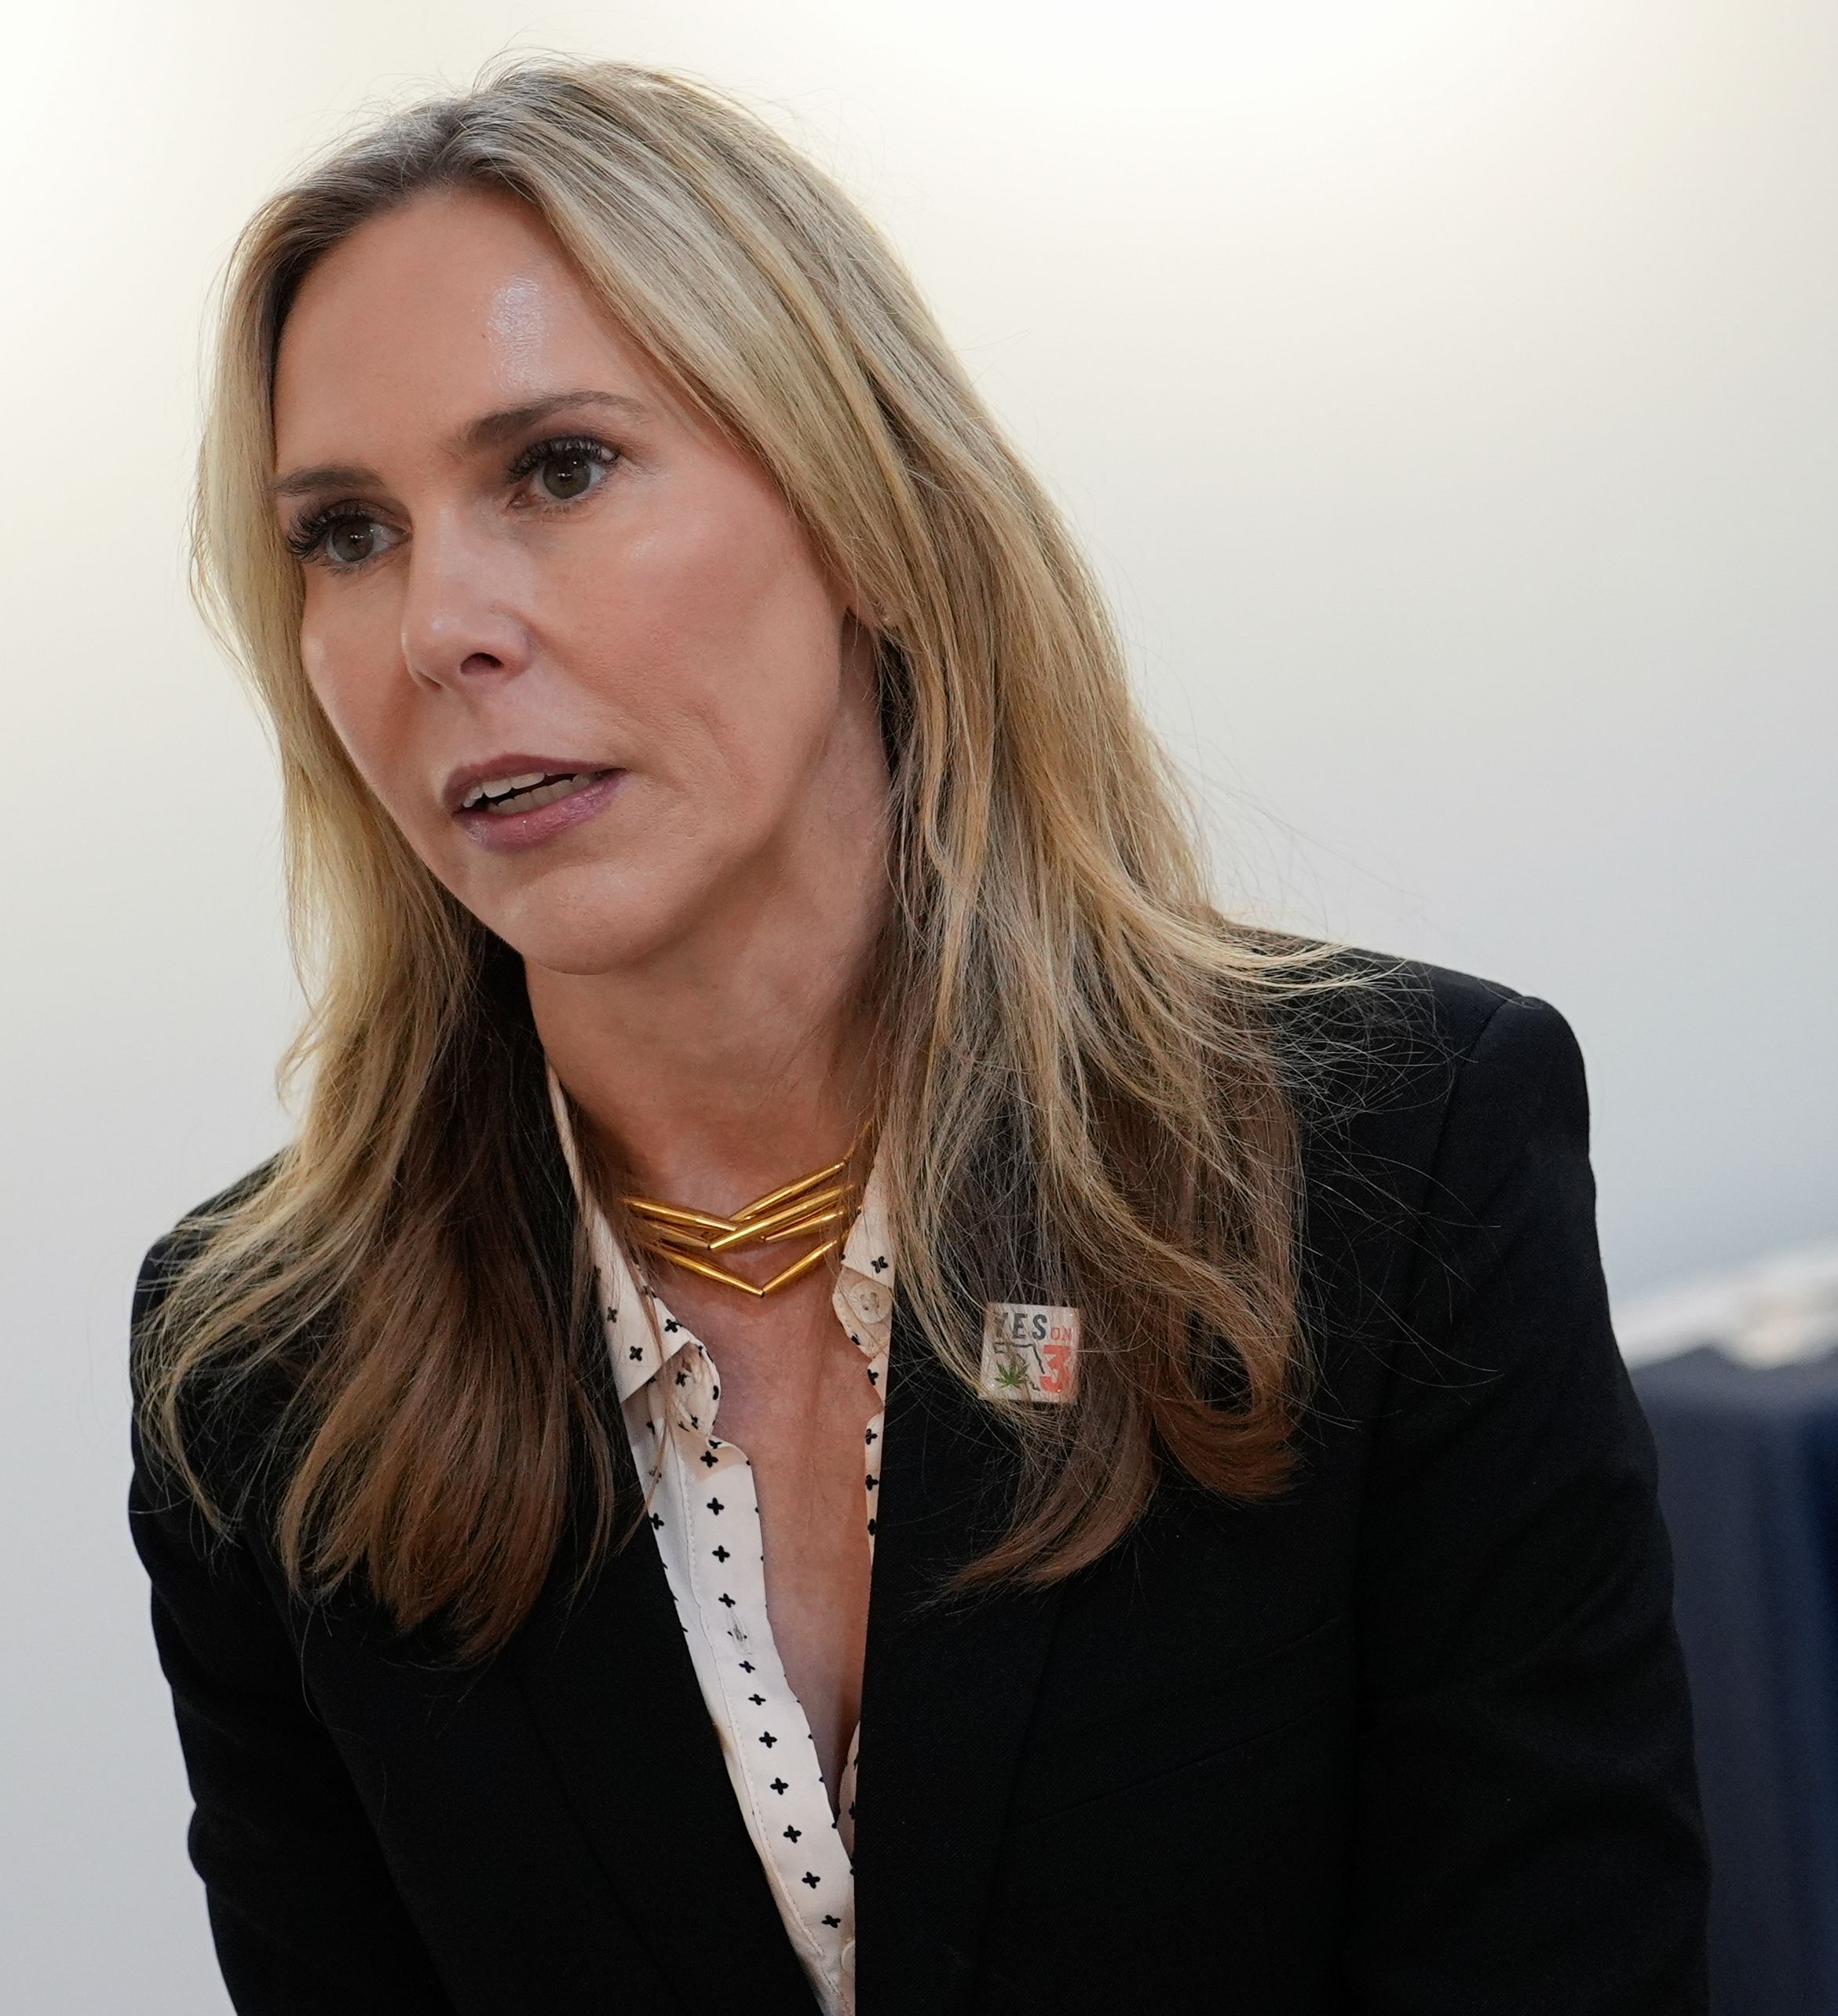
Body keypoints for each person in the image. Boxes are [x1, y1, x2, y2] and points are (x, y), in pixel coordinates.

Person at [128, 56, 1706, 2015]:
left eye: (557, 468)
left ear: (865, 511)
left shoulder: (1386, 1152)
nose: (439, 622)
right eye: (345, 534)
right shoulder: (262, 1371)